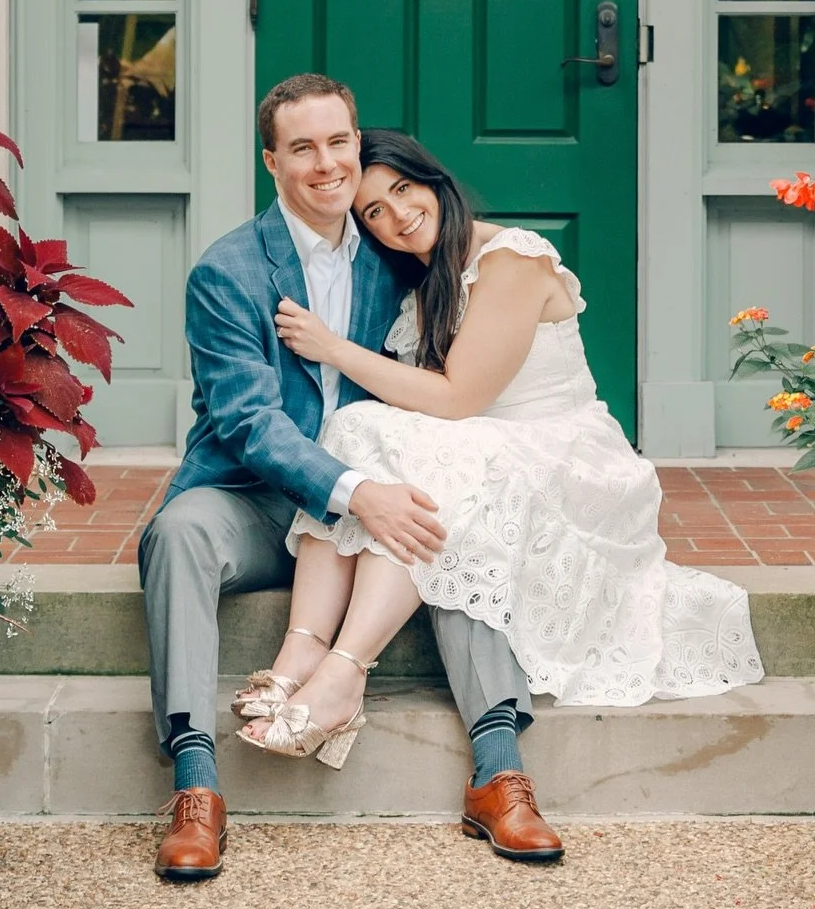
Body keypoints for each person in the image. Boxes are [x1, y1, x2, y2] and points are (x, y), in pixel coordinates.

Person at [237, 129, 763, 810]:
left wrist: (333, 348)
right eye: (373, 211)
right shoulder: (424, 281)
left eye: (402, 189)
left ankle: (343, 671)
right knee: (355, 428)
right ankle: (301, 653)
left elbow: (459, 400)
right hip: (487, 445)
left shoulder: (512, 256)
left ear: (434, 180)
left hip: (567, 455)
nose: (397, 215)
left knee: (429, 452)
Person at [139, 77, 560, 883]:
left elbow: (485, 291)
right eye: (302, 147)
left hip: (376, 499)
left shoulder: (399, 252)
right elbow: (248, 424)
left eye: (339, 143)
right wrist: (354, 490)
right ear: (273, 162)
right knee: (177, 531)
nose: (327, 164)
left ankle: (500, 772)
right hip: (253, 497)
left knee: (449, 515)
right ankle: (195, 786)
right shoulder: (227, 272)